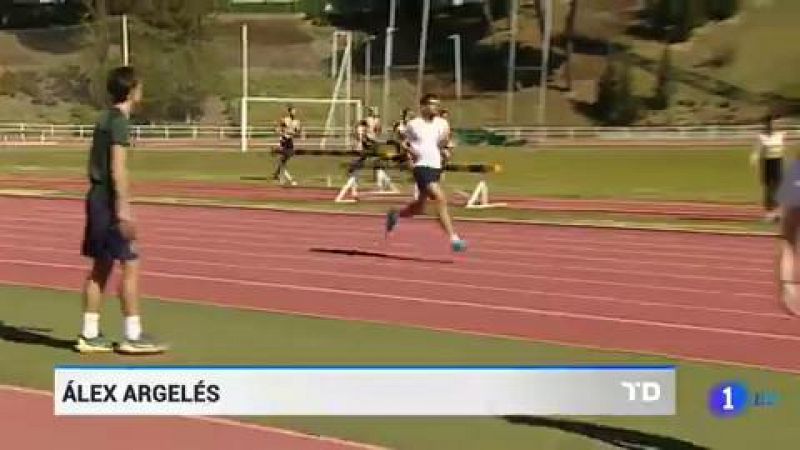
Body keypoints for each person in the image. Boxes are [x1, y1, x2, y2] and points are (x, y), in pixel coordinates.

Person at [77, 66, 166, 355]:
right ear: (131, 90)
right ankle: (132, 333)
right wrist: (125, 209)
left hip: (96, 199)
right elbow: (117, 167)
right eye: (139, 86)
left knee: (101, 267)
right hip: (110, 203)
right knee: (131, 265)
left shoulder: (104, 118)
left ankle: (90, 334)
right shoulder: (118, 122)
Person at [385, 94, 467, 252]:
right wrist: (410, 153)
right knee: (440, 198)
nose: (435, 107)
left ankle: (396, 214)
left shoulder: (442, 123)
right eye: (431, 104)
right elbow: (403, 142)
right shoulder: (413, 124)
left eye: (437, 104)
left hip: (435, 165)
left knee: (419, 208)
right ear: (423, 106)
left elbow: (443, 142)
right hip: (421, 166)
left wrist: (446, 151)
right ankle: (454, 239)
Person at [776, 148, 800, 315]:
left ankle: (789, 291)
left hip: (792, 208)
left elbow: (783, 200)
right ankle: (789, 290)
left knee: (788, 248)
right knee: (789, 248)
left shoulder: (794, 169)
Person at [751, 114, 786, 222]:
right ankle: (769, 212)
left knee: (779, 188)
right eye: (771, 123)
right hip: (767, 163)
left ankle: (778, 212)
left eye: (776, 123)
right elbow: (757, 152)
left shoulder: (781, 135)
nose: (774, 125)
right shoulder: (761, 137)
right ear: (767, 124)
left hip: (778, 162)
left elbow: (783, 150)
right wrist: (754, 160)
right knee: (769, 189)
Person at [273, 106, 301, 185]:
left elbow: (297, 132)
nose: (294, 112)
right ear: (289, 112)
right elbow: (279, 128)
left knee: (286, 159)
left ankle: (277, 174)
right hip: (284, 140)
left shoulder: (297, 122)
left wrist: (295, 132)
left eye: (295, 111)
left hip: (290, 141)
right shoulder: (285, 120)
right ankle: (290, 179)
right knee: (283, 160)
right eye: (293, 111)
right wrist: (278, 129)